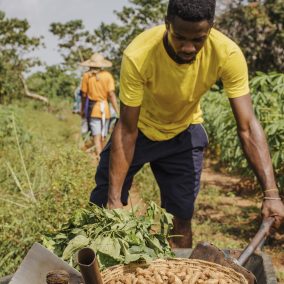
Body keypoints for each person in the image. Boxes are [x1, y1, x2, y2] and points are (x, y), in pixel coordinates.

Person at [90, 0, 284, 248]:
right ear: (167, 23)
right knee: (102, 209)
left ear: (211, 28)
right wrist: (115, 199)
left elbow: (247, 126)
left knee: (180, 219)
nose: (189, 47)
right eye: (180, 37)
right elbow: (127, 129)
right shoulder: (139, 54)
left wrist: (271, 194)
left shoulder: (228, 54)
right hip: (139, 129)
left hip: (184, 133)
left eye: (199, 39)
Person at [80, 53, 119, 157]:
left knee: (96, 137)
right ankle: (102, 157)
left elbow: (83, 95)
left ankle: (99, 158)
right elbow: (111, 94)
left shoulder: (86, 76)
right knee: (103, 136)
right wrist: (117, 110)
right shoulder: (107, 76)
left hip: (93, 109)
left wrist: (82, 109)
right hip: (105, 110)